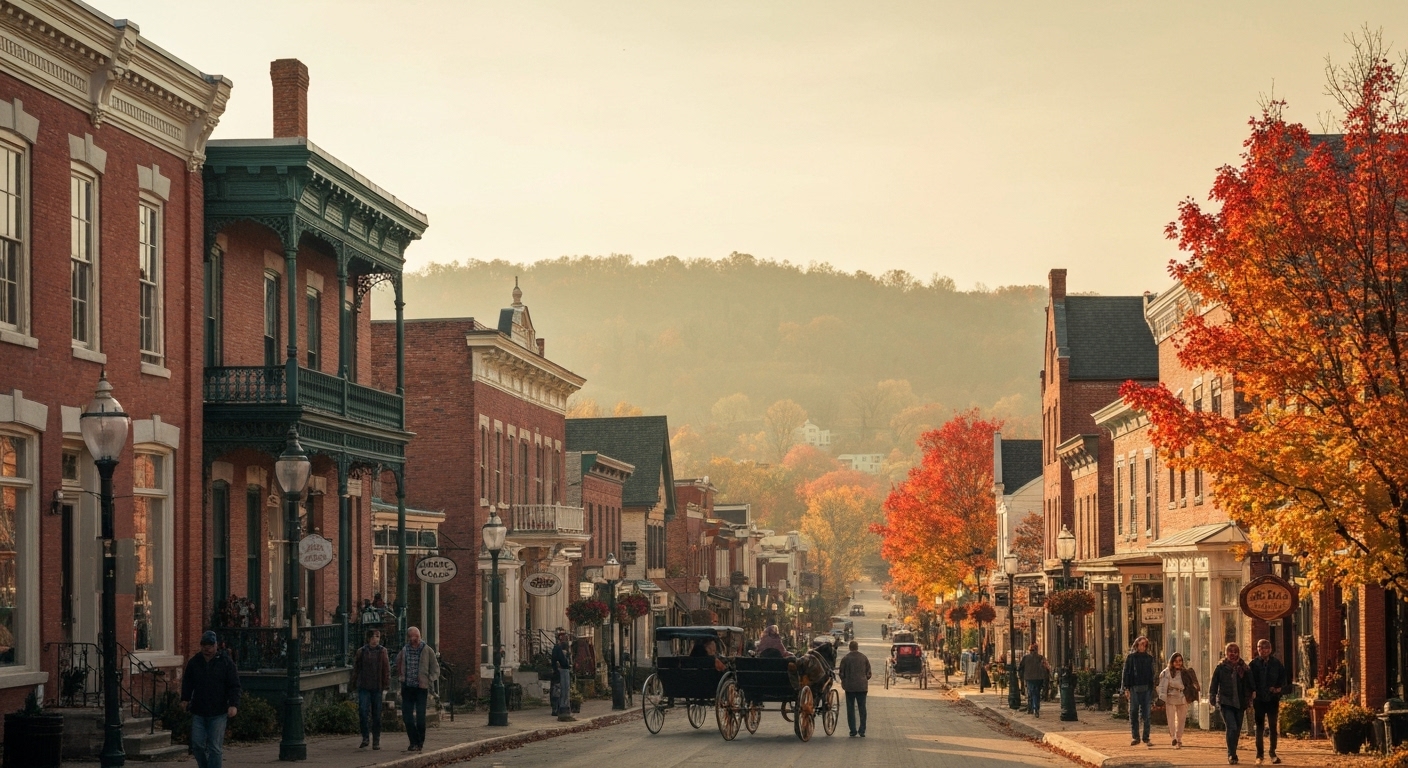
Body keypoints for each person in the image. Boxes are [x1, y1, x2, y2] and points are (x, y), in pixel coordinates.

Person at [181, 630, 241, 768]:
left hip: (218, 711)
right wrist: (185, 699)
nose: (206, 649)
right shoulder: (195, 662)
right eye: (204, 645)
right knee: (197, 745)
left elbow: (234, 685)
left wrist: (233, 704)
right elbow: (188, 682)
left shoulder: (225, 662)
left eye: (209, 645)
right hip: (199, 710)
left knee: (215, 747)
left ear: (216, 646)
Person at [393, 626, 440, 753]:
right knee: (407, 716)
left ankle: (420, 742)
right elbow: (397, 664)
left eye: (418, 636)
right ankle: (413, 741)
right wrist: (401, 676)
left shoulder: (427, 650)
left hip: (421, 688)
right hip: (407, 687)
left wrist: (429, 679)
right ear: (409, 638)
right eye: (414, 637)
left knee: (420, 717)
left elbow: (436, 669)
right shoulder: (404, 651)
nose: (416, 639)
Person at [1209, 642, 1253, 765]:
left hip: (1240, 702)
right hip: (1226, 701)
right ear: (1226, 653)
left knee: (1237, 729)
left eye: (1235, 651)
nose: (1233, 654)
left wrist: (1251, 695)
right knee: (1231, 727)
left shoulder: (1244, 667)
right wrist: (1212, 696)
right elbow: (1214, 683)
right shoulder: (1221, 667)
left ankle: (1233, 752)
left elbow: (1250, 684)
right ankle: (1231, 754)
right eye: (1230, 651)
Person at [352, 628, 391, 749]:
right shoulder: (361, 651)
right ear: (368, 638)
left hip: (377, 687)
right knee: (363, 712)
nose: (375, 640)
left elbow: (386, 669)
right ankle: (365, 737)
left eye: (378, 637)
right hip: (364, 686)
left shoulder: (382, 651)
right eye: (373, 637)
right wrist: (353, 683)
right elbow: (356, 668)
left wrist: (386, 684)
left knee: (377, 715)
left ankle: (376, 740)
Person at [1250, 638, 1286, 765]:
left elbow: (1284, 680)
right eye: (1260, 647)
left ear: (1270, 649)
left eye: (1265, 647)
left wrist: (1278, 689)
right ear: (1257, 649)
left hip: (1272, 699)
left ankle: (1272, 752)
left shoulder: (1276, 664)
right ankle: (1259, 755)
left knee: (1272, 726)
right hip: (1259, 699)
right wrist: (1252, 692)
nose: (1262, 650)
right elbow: (1250, 681)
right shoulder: (1253, 664)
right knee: (1259, 727)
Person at [1157, 652, 1199, 749]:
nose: (1178, 663)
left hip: (1182, 697)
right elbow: (1162, 687)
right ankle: (1173, 738)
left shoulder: (1186, 672)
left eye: (1180, 661)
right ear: (1172, 662)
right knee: (1171, 719)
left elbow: (1192, 684)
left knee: (1181, 720)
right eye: (1175, 661)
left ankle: (1179, 737)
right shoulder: (1166, 673)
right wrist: (1162, 698)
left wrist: (1192, 691)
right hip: (1170, 697)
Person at [1122, 635, 1157, 748]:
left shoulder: (1149, 658)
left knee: (1146, 714)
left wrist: (1152, 687)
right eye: (1141, 644)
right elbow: (1126, 673)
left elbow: (1152, 673)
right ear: (1137, 645)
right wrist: (1126, 688)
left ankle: (1146, 737)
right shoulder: (1131, 658)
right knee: (1133, 712)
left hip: (1146, 688)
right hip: (1134, 688)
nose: (1143, 646)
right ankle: (1135, 737)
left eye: (1145, 645)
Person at [838, 640, 871, 737]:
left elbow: (841, 673)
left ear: (849, 648)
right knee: (862, 708)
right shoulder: (864, 658)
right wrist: (864, 679)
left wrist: (845, 680)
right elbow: (869, 673)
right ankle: (862, 730)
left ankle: (853, 730)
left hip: (850, 687)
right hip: (862, 687)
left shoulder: (846, 658)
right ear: (857, 647)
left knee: (850, 708)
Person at [1018, 643, 1050, 717]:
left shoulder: (1026, 658)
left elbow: (1020, 668)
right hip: (1039, 678)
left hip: (1029, 678)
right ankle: (1036, 708)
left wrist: (1021, 677)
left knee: (1031, 693)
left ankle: (1032, 708)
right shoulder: (1041, 657)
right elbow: (1046, 668)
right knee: (1037, 693)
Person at [551, 631, 575, 722]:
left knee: (565, 690)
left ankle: (564, 706)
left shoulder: (567, 648)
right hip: (561, 670)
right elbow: (556, 660)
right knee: (560, 690)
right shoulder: (557, 648)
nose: (566, 638)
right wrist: (557, 669)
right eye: (564, 637)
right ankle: (560, 708)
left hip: (565, 669)